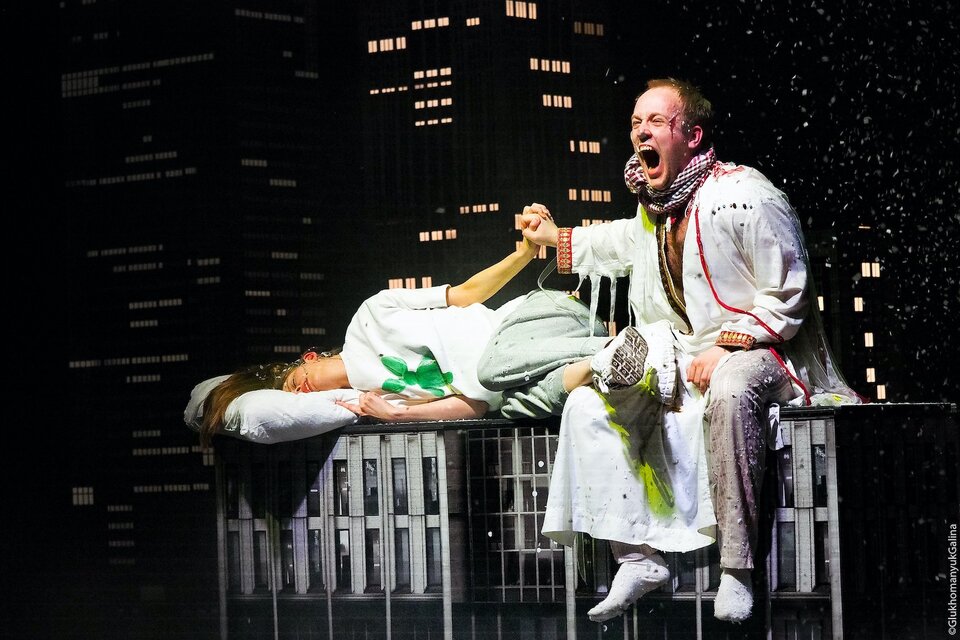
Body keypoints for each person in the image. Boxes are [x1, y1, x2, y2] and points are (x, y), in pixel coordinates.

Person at [515, 77, 861, 623]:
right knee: (587, 402)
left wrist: (729, 346)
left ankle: (737, 567)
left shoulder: (746, 193)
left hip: (764, 349)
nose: (641, 132)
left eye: (656, 121)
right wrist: (550, 236)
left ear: (693, 136)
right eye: (635, 123)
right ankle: (635, 557)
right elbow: (609, 242)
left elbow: (789, 291)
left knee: (730, 389)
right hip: (680, 351)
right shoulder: (653, 211)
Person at [196, 238, 611, 449]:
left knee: (492, 370)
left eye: (293, 381)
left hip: (529, 325)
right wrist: (396, 417)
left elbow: (466, 294)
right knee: (526, 404)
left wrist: (523, 254)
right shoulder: (377, 402)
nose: (301, 390)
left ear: (307, 357)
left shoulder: (372, 314)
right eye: (294, 396)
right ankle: (611, 358)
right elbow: (476, 406)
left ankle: (605, 350)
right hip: (523, 382)